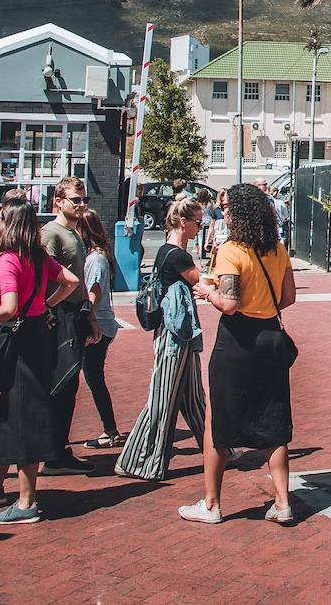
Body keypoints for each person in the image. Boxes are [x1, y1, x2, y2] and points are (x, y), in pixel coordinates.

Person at [180, 184, 298, 526]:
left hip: (238, 340)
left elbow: (229, 304)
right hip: (271, 338)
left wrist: (207, 291)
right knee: (274, 420)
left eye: (228, 207)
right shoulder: (277, 248)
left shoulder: (231, 250)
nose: (224, 212)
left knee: (218, 420)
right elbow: (288, 297)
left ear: (242, 212)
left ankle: (212, 503)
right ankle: (282, 501)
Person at [0, 197, 79, 523]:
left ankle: (27, 502)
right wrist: (45, 305)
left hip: (18, 339)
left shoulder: (6, 258)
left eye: (0, 216)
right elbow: (70, 282)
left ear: (8, 222)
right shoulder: (36, 255)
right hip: (38, 336)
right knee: (10, 412)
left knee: (24, 417)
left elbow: (10, 305)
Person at [116, 198, 209, 481]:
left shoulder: (165, 251)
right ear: (184, 223)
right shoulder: (178, 256)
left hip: (178, 331)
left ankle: (219, 448)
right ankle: (137, 459)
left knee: (193, 397)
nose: (200, 227)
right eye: (197, 222)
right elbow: (201, 283)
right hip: (174, 333)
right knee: (163, 395)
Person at [39, 177, 98, 475]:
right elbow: (41, 274)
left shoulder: (73, 234)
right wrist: (48, 309)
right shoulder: (51, 233)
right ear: (58, 201)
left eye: (83, 199)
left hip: (75, 314)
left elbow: (80, 280)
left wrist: (89, 314)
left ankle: (57, 450)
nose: (81, 205)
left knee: (69, 385)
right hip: (58, 316)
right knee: (58, 384)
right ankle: (52, 453)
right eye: (75, 199)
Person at [74, 210, 126, 448]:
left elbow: (93, 293)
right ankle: (110, 429)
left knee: (94, 378)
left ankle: (110, 430)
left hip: (99, 325)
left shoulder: (95, 259)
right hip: (101, 324)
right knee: (93, 378)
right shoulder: (96, 256)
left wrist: (89, 321)